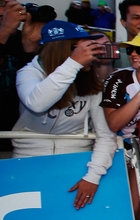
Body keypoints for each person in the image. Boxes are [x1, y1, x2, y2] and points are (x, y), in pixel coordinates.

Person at [12, 20, 116, 209]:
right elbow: (37, 103)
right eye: (82, 48)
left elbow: (105, 135)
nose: (90, 53)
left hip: (77, 163)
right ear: (62, 50)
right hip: (28, 161)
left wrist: (93, 176)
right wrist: (73, 64)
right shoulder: (28, 73)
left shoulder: (91, 81)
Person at [0, 0, 47, 153]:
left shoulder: (23, 38)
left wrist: (31, 48)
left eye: (16, 5)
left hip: (22, 137)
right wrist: (5, 30)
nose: (9, 9)